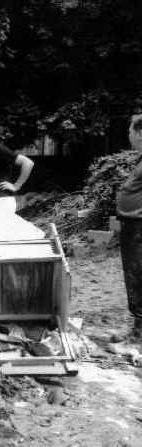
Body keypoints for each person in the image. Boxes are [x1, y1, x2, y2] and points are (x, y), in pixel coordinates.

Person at [117, 114, 142, 336]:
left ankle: (138, 335)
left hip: (138, 228)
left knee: (137, 275)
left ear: (139, 133)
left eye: (130, 131)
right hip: (132, 226)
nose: (128, 135)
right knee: (134, 274)